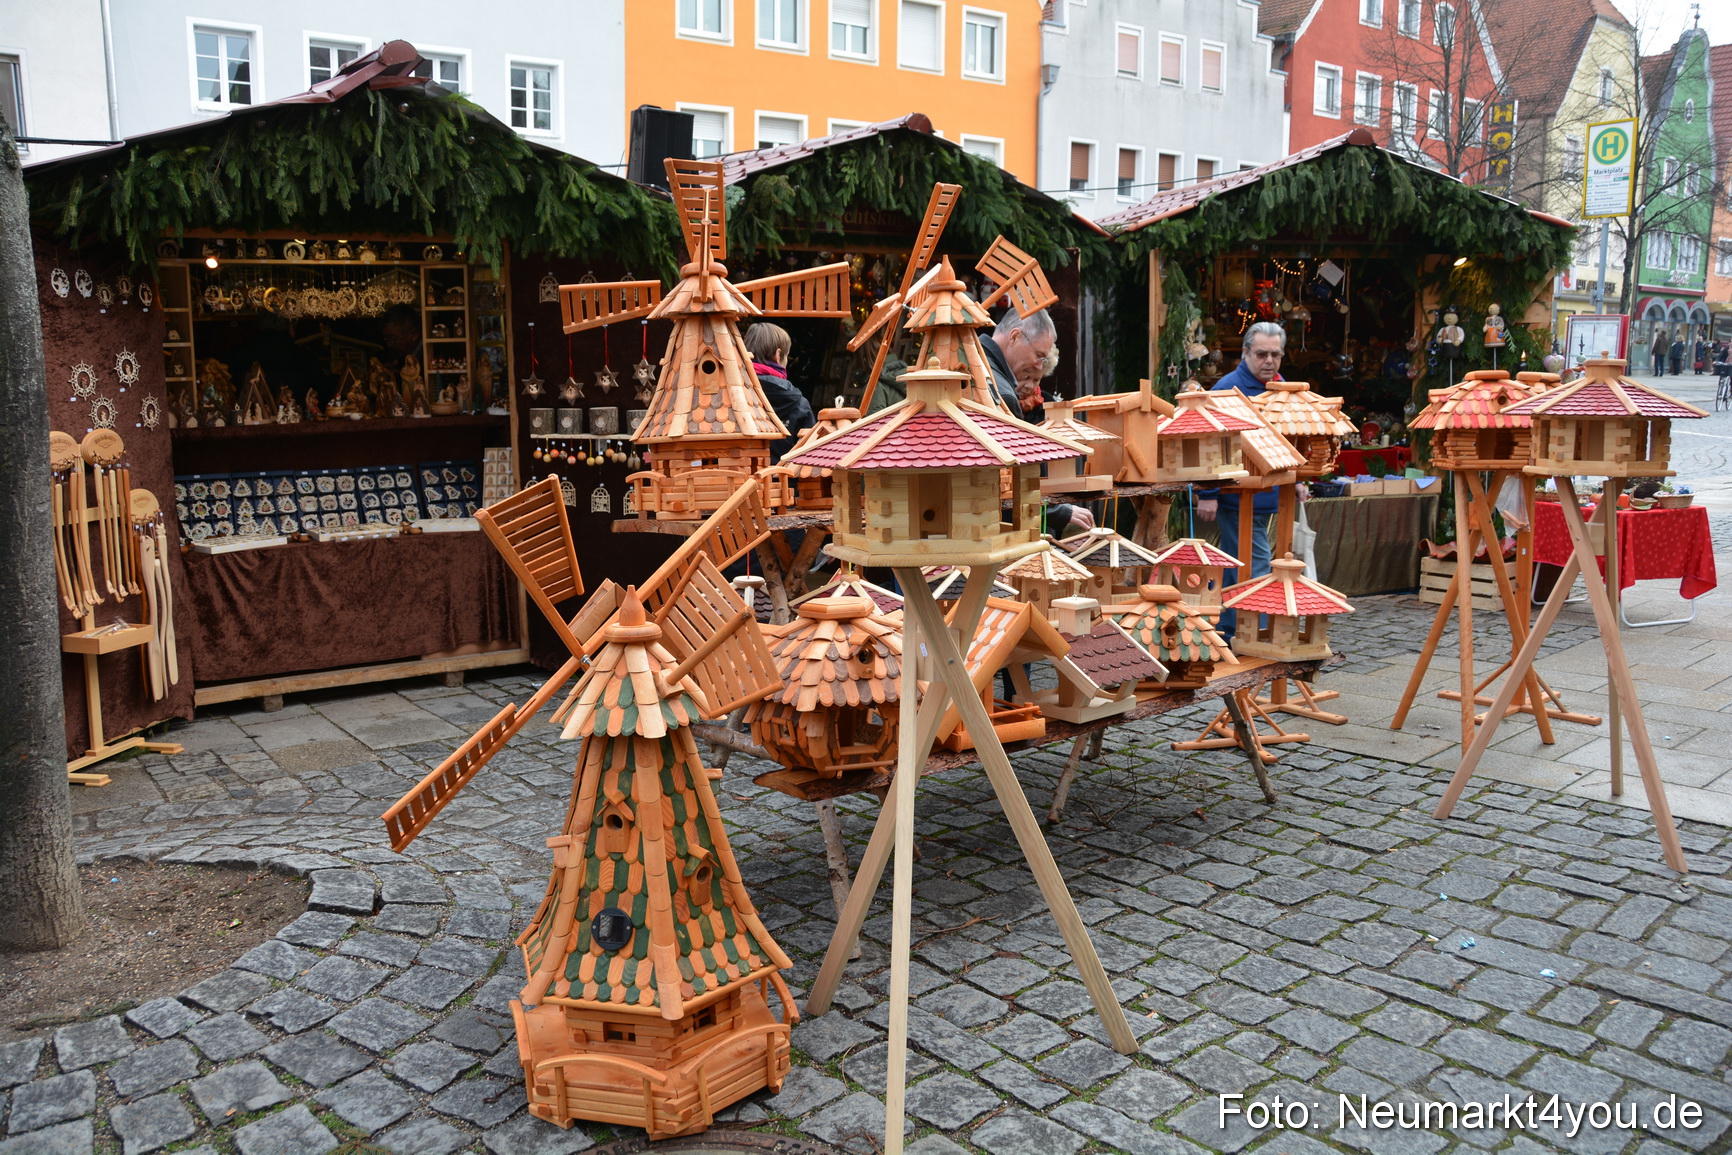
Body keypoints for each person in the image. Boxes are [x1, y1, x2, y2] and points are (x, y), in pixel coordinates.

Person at [1197, 321, 1286, 638]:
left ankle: (1231, 628)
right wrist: (1207, 491)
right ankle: (1253, 633)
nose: (1269, 361)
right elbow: (1206, 442)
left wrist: (1297, 478)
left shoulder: (1281, 386)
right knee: (1255, 568)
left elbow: (1286, 439)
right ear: (1245, 353)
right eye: (1262, 354)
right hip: (1237, 497)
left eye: (1276, 354)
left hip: (1267, 495)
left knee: (1242, 567)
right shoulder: (1226, 389)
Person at [980, 307, 1092, 533]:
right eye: (1039, 355)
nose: (1040, 365)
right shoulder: (1004, 395)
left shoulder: (970, 359)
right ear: (1014, 337)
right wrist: (1057, 513)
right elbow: (1011, 487)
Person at [742, 322, 815, 463]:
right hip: (784, 481)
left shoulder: (729, 391)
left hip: (737, 481)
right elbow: (809, 455)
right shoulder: (798, 402)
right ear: (778, 355)